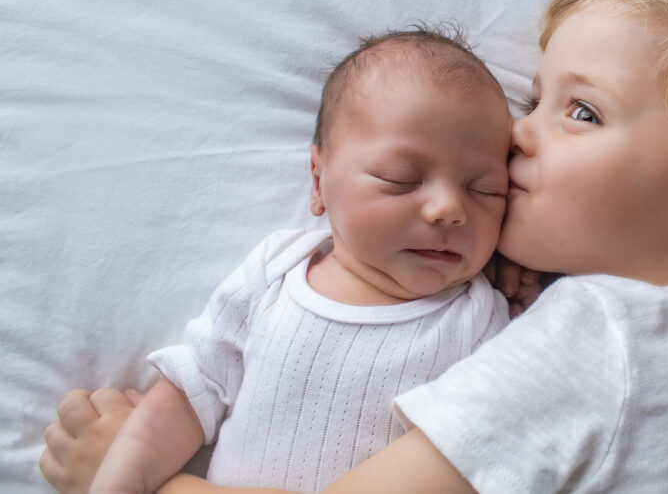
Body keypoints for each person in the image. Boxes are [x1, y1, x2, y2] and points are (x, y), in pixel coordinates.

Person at [43, 0, 668, 493]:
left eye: (581, 110)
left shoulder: (605, 340)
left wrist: (139, 478)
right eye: (534, 98)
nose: (518, 132)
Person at [41, 27, 516, 494]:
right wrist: (127, 475)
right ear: (318, 180)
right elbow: (192, 391)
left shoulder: (481, 320)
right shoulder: (275, 273)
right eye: (400, 178)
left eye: (485, 190)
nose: (449, 209)